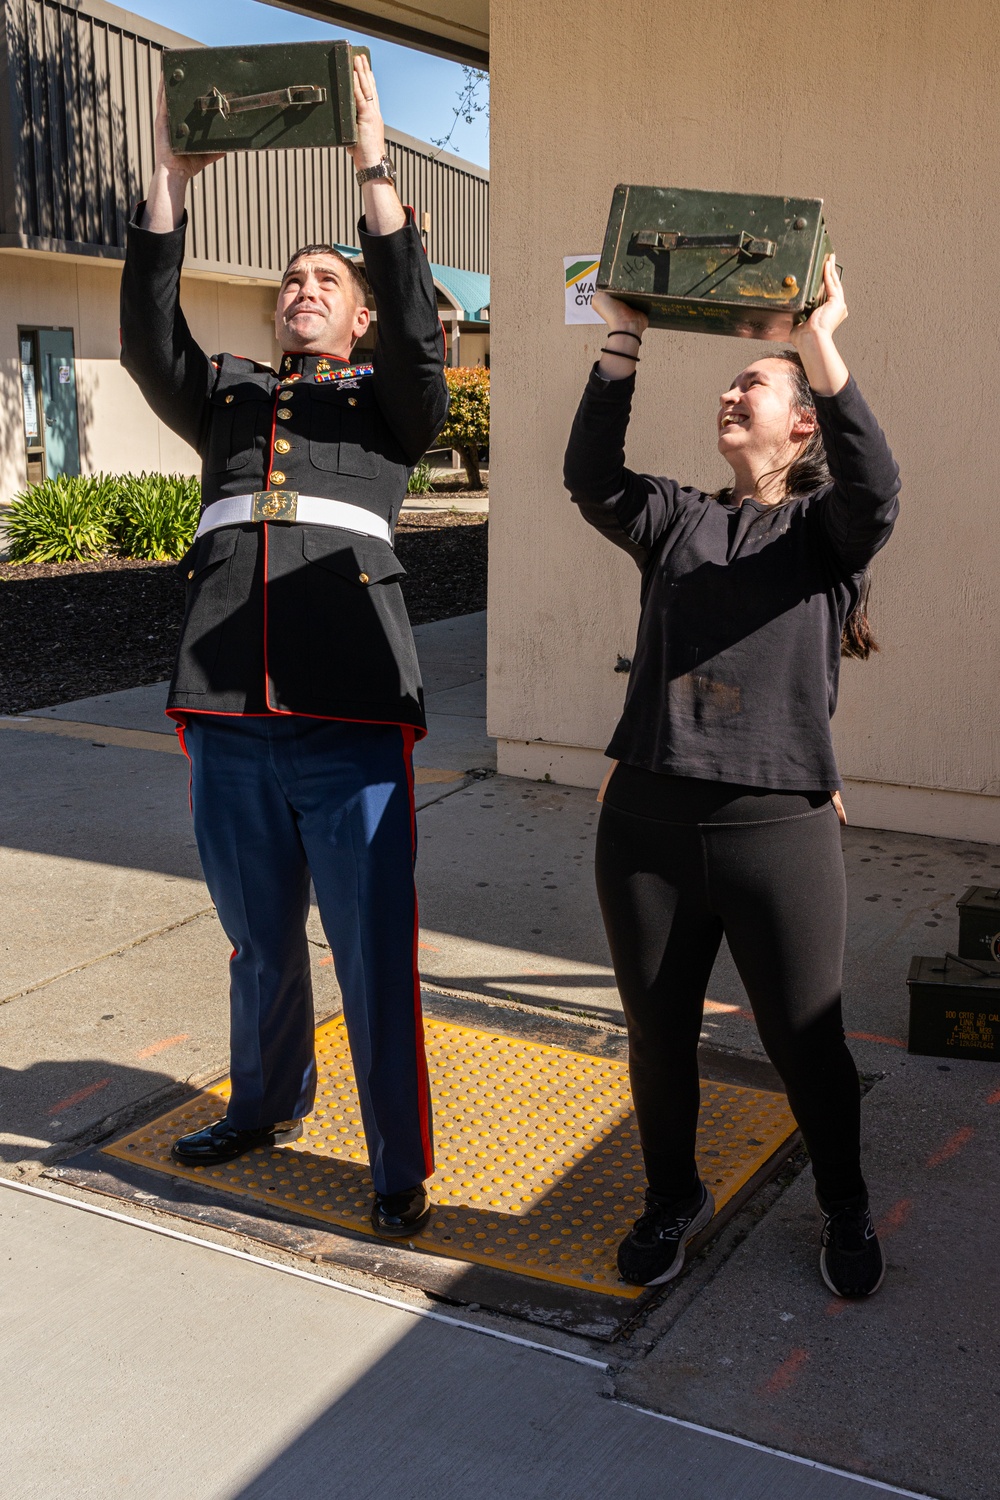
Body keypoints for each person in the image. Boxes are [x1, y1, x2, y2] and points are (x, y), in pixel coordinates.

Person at [120, 55, 448, 1238]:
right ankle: (262, 1103)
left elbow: (419, 337)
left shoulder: (389, 404)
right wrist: (170, 177)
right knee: (258, 940)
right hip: (226, 714)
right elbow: (148, 330)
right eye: (292, 280)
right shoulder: (229, 399)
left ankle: (396, 1162)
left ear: (358, 313)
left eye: (329, 279)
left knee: (370, 952)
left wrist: (373, 163)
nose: (304, 288)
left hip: (348, 714)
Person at [563, 258, 899, 1296]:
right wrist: (621, 338)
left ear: (800, 424)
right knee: (658, 1042)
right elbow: (590, 478)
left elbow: (877, 486)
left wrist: (816, 338)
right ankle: (674, 1200)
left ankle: (842, 1204)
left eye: (753, 385)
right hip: (647, 824)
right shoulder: (673, 519)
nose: (731, 393)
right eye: (732, 382)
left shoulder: (823, 534)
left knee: (809, 1046)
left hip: (776, 829)